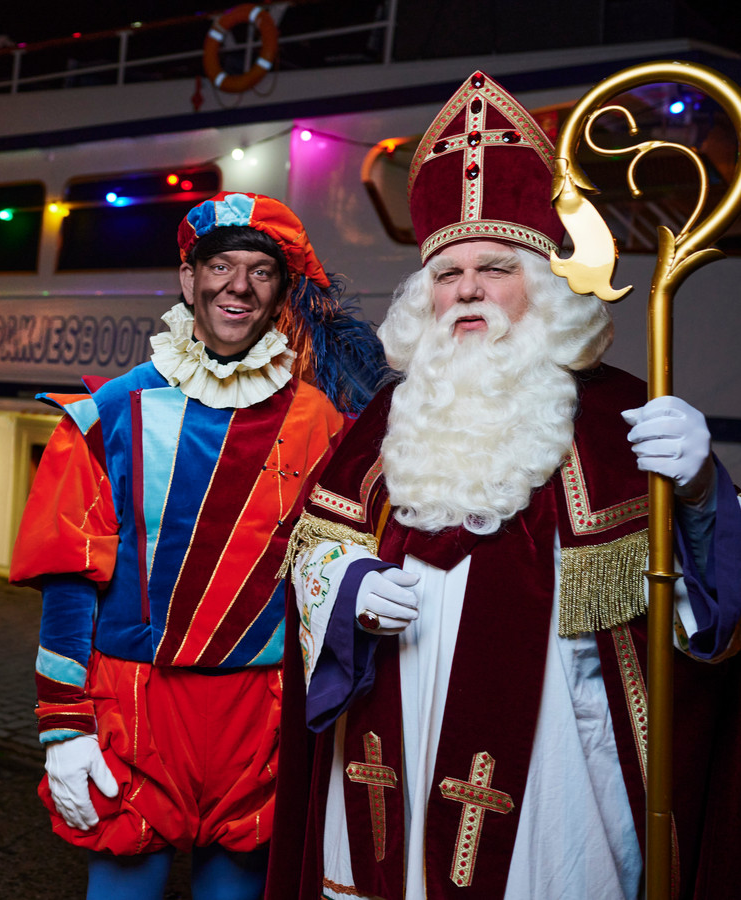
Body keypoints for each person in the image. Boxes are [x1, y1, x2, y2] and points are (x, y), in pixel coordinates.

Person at [265, 72, 741, 900]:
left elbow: (706, 622)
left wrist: (702, 494)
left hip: (562, 770)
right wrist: (347, 594)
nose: (470, 289)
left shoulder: (622, 415)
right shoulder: (385, 419)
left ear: (547, 285)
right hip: (388, 756)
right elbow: (307, 556)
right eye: (449, 274)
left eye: (495, 267)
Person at [10, 192, 386, 899]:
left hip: (262, 712)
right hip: (135, 707)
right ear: (189, 279)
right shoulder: (107, 414)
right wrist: (64, 727)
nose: (237, 286)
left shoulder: (326, 422)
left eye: (260, 271)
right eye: (219, 265)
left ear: (282, 292)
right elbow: (67, 582)